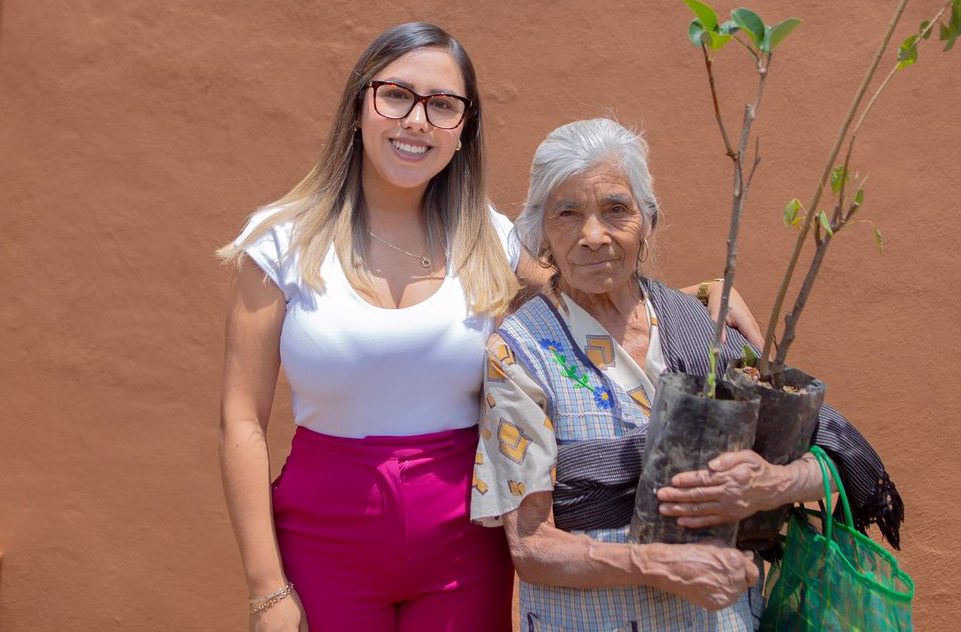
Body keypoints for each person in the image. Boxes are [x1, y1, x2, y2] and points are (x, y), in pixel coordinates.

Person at [217, 24, 764, 631]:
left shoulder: (487, 236)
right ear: (358, 106)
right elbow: (242, 421)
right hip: (326, 535)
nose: (416, 121)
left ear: (463, 131)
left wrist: (701, 294)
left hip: (462, 543)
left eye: (442, 105)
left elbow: (584, 292)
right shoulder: (281, 243)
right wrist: (266, 591)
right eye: (395, 95)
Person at [471, 118, 904, 631]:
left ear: (648, 222)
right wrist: (657, 564)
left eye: (616, 209)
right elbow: (532, 546)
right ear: (541, 230)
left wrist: (773, 484)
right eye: (568, 213)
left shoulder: (701, 327)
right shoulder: (519, 352)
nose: (593, 236)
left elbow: (825, 456)